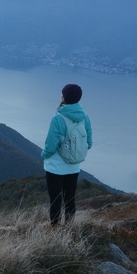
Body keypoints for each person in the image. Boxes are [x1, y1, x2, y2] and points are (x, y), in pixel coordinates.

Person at [41, 83, 92, 225]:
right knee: (70, 197)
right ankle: (69, 226)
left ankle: (55, 227)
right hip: (74, 166)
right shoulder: (84, 116)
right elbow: (89, 140)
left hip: (56, 166)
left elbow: (51, 145)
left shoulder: (58, 118)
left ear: (64, 97)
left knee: (55, 198)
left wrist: (44, 154)